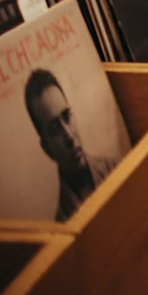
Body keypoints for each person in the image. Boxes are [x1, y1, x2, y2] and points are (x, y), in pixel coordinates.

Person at [24, 68, 119, 221]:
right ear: (47, 148)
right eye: (55, 129)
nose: (68, 135)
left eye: (67, 116)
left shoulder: (114, 167)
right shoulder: (63, 222)